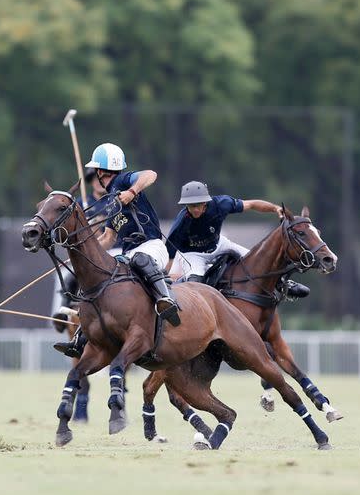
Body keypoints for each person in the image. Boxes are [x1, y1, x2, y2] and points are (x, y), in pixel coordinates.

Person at [53, 142, 179, 357]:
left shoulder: (123, 180)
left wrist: (132, 191)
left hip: (151, 246)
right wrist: (82, 253)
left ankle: (165, 300)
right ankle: (80, 338)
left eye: (97, 172)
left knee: (140, 259)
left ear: (102, 171)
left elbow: (151, 174)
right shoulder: (111, 200)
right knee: (99, 280)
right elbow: (108, 238)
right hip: (127, 254)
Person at [166, 180, 309, 297]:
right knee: (196, 282)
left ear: (205, 202)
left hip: (219, 244)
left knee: (258, 260)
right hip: (193, 255)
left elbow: (252, 204)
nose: (195, 209)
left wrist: (274, 208)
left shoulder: (221, 204)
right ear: (186, 205)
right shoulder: (181, 223)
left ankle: (284, 283)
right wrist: (164, 277)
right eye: (191, 206)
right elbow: (170, 253)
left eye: (198, 205)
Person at [50, 167, 120, 330]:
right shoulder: (81, 204)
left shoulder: (114, 201)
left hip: (115, 249)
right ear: (91, 182)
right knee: (69, 276)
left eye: (101, 179)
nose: (99, 182)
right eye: (95, 179)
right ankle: (63, 312)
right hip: (90, 253)